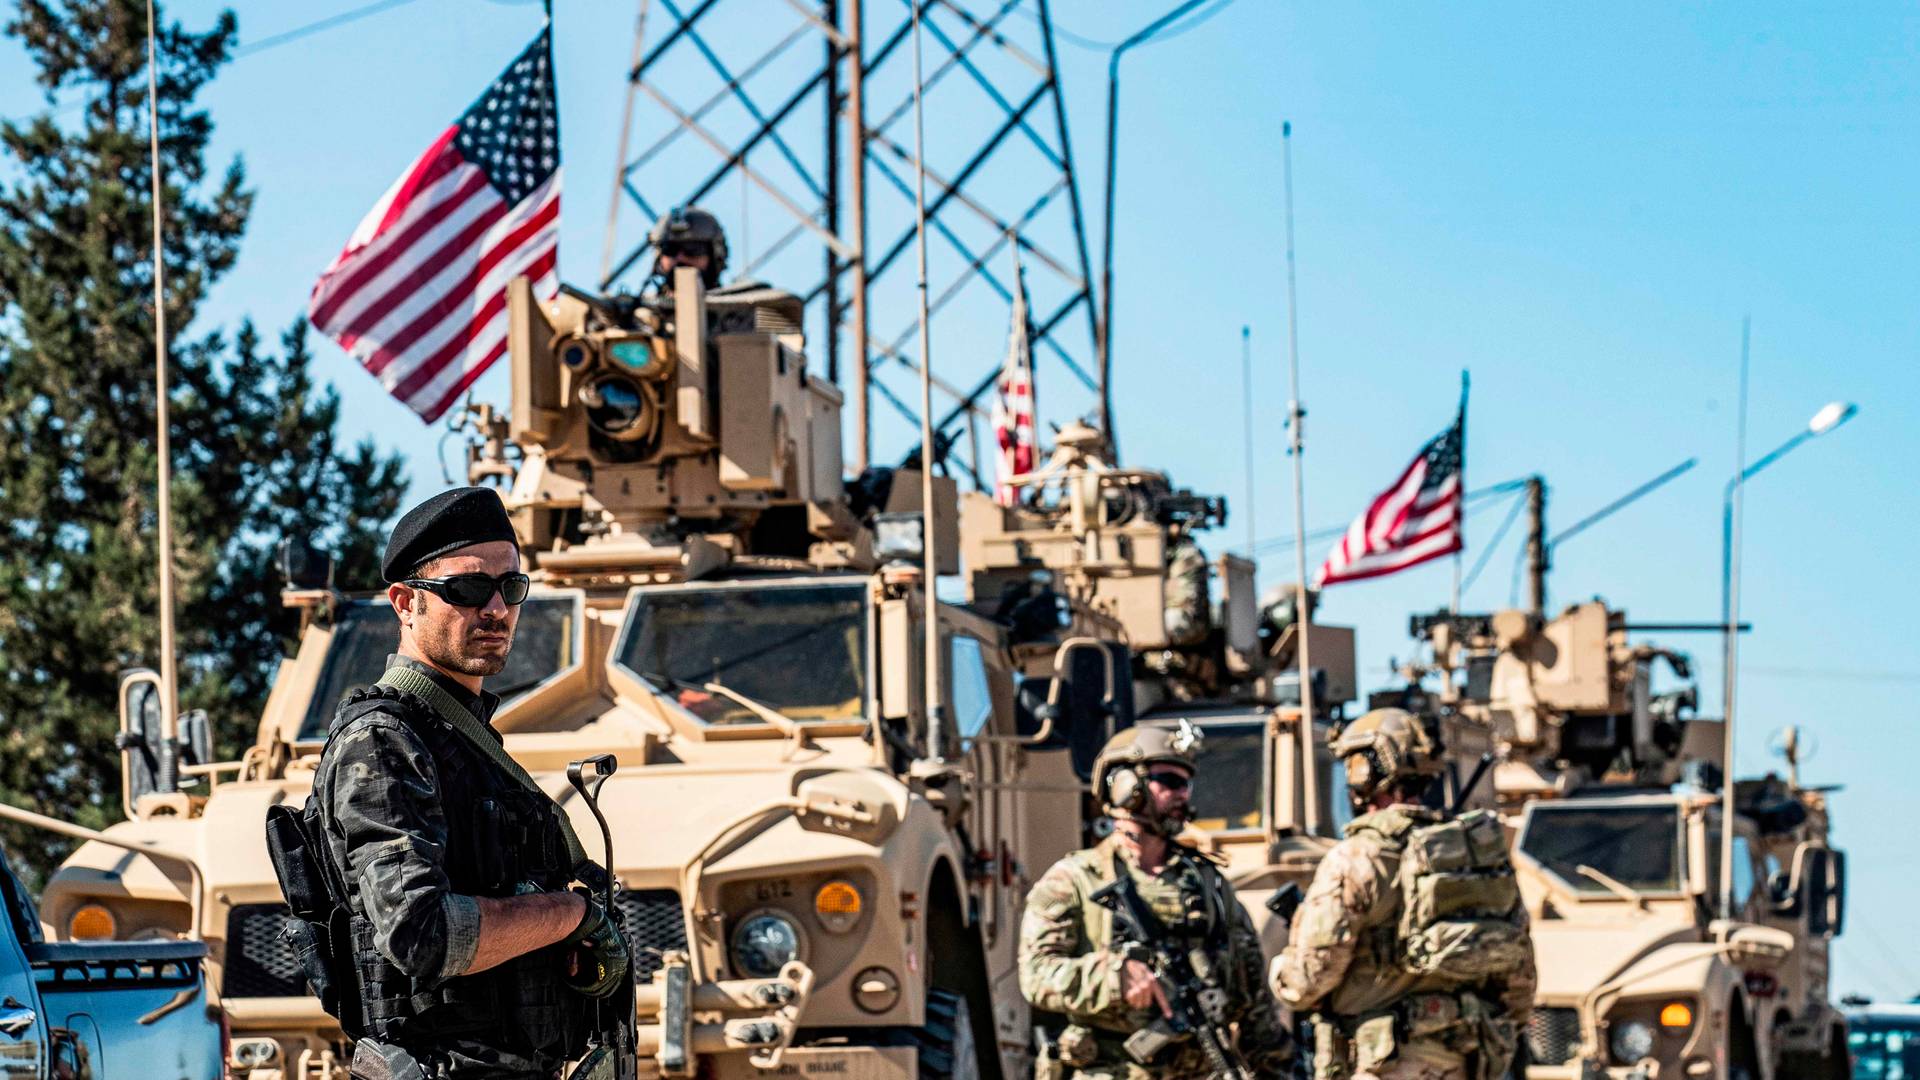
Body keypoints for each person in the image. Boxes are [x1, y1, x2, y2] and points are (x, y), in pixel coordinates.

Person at [312, 487, 631, 1080]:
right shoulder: (384, 741)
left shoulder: (461, 739)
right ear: (405, 602)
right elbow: (422, 935)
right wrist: (570, 914)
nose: (496, 609)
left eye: (511, 588)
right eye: (466, 589)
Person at [1271, 709, 1535, 1080]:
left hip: (1384, 1064)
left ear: (1367, 771)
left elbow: (1308, 978)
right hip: (1466, 1063)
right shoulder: (1476, 855)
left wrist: (1280, 971)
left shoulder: (1357, 858)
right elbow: (1520, 983)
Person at [1019, 726, 1291, 1079]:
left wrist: (1278, 1066)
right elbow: (1036, 975)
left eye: (1187, 784)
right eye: (1169, 781)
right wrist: (1115, 978)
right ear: (1125, 787)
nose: (1183, 795)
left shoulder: (1209, 886)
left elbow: (1253, 997)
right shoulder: (1074, 879)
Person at [647, 206, 729, 292]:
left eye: (693, 249)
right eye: (670, 250)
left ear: (714, 255)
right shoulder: (642, 304)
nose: (680, 258)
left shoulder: (737, 303)